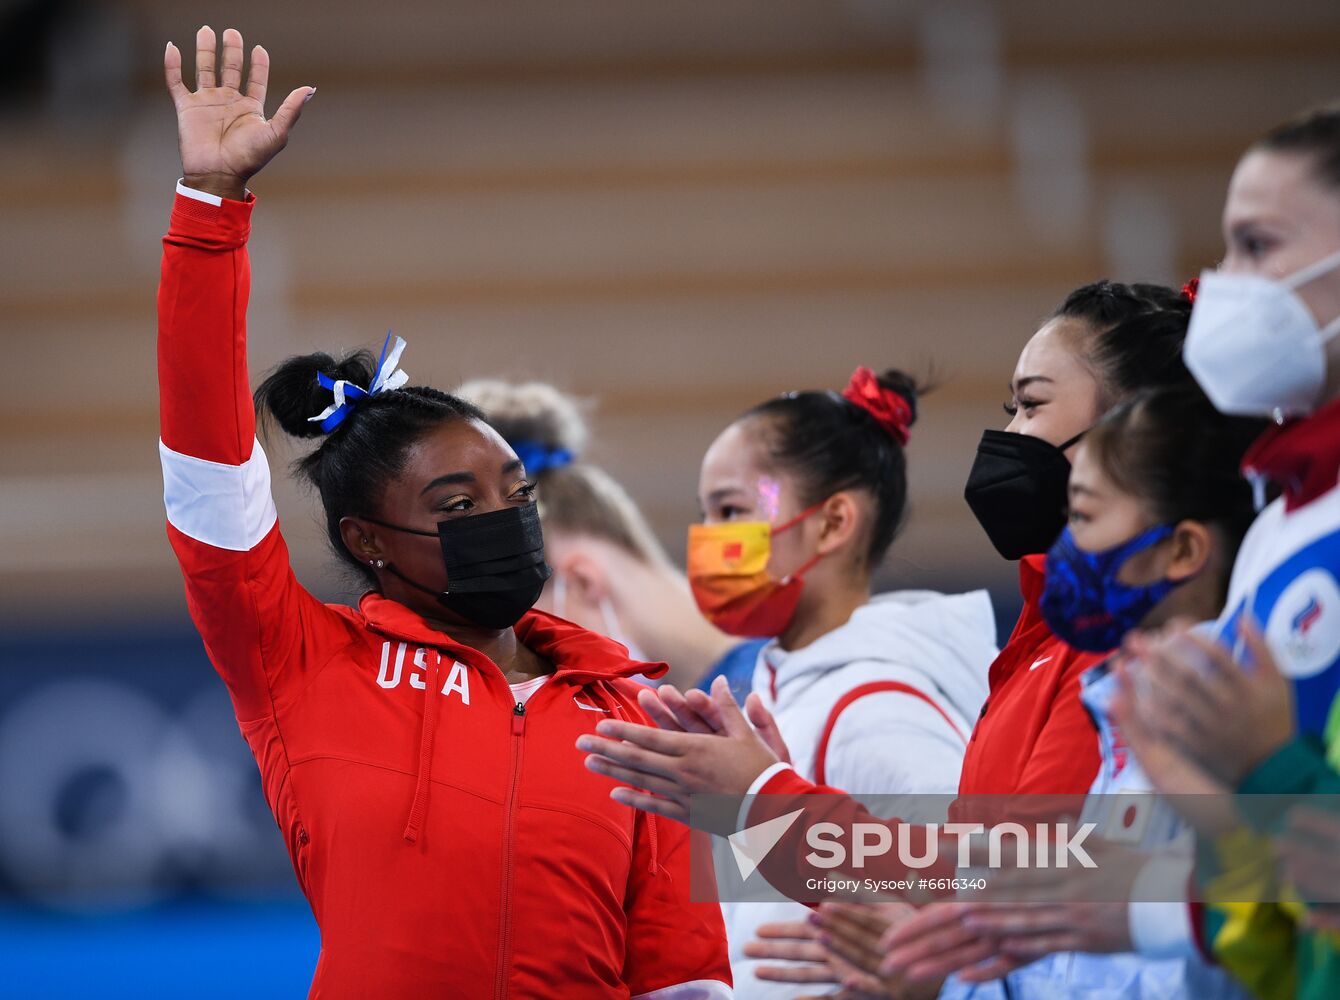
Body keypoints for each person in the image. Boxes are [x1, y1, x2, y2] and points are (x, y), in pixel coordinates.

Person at [157, 27, 731, 998]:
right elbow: (208, 476)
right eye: (456, 502)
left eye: (517, 492)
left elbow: (682, 976)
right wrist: (211, 212)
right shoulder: (299, 665)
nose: (504, 519)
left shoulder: (635, 718)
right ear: (366, 541)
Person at [577, 283, 1197, 992]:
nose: (1011, 435)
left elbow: (1040, 882)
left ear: (1130, 426)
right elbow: (979, 888)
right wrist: (774, 810)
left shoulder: (1089, 651)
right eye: (1008, 408)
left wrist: (769, 804)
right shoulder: (1044, 640)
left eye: (1031, 404)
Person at [867, 387, 1264, 998]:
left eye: (1082, 517)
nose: (1063, 547)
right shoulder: (1121, 701)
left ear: (1183, 549)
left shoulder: (1222, 726)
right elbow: (1061, 951)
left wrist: (753, 810)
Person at [668, 367, 998, 997]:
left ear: (832, 522)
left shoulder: (879, 712)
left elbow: (976, 892)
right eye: (705, 514)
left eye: (733, 510)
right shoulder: (784, 693)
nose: (710, 539)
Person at [1112, 102, 1340, 1000]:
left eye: (1257, 244)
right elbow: (1283, 929)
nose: (1223, 282)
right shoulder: (1283, 513)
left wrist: (1267, 767)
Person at [455, 378, 763, 693]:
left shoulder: (777, 688)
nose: (534, 668)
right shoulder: (679, 714)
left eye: (536, 640)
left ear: (582, 581)